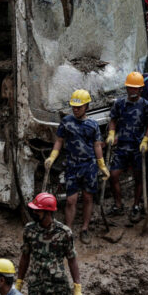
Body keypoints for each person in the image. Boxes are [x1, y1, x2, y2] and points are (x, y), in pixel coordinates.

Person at [44, 90, 108, 244]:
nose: (75, 109)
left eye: (79, 107)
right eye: (73, 107)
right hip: (72, 165)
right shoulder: (66, 122)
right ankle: (68, 230)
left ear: (86, 106)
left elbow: (97, 145)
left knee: (87, 197)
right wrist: (52, 156)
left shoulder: (92, 125)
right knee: (71, 200)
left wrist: (102, 165)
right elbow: (59, 140)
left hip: (89, 165)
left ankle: (85, 228)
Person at [17, 193, 85, 295]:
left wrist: (77, 287)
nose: (34, 212)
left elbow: (72, 259)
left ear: (48, 212)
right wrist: (19, 282)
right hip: (36, 286)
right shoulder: (29, 230)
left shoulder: (64, 232)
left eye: (37, 210)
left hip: (59, 286)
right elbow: (25, 256)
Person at [106, 72, 148, 220]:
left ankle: (136, 205)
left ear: (141, 89)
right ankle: (118, 205)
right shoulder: (119, 103)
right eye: (130, 88)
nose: (133, 91)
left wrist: (146, 140)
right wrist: (112, 134)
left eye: (136, 89)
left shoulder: (146, 105)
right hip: (122, 146)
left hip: (138, 147)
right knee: (113, 175)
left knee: (138, 177)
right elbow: (113, 119)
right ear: (126, 88)